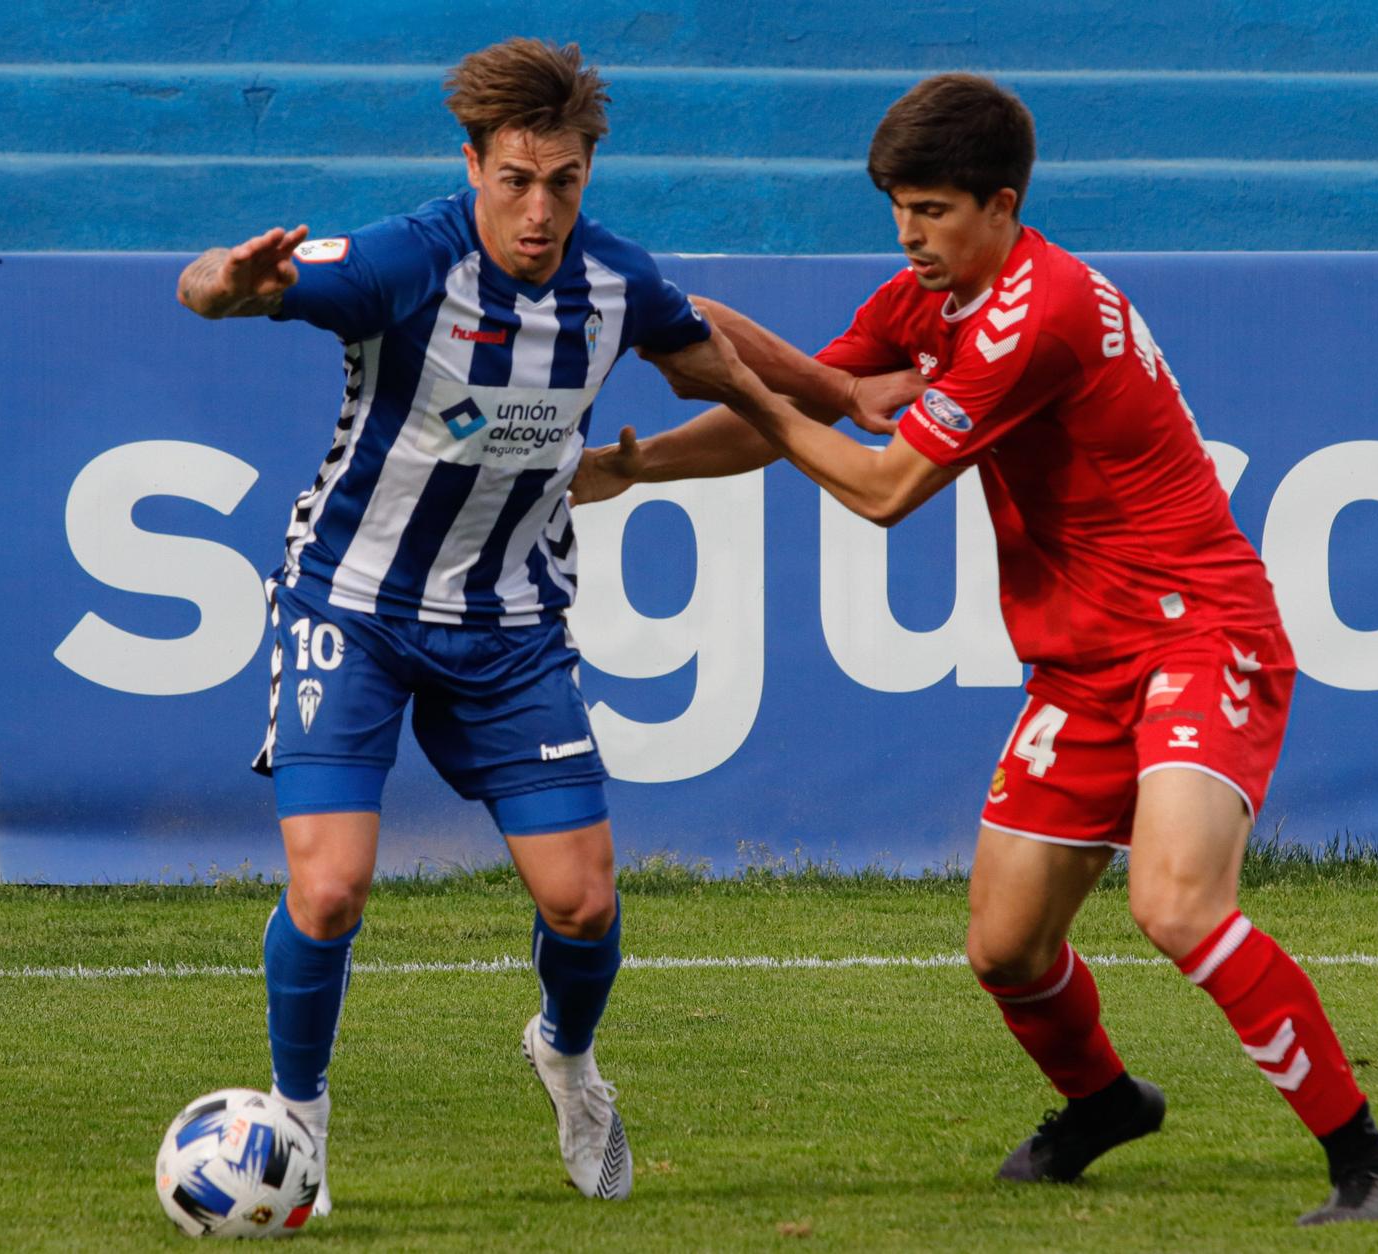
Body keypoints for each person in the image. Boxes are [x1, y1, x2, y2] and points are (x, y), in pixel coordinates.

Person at [577, 73, 1378, 1227]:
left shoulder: (1041, 312)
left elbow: (879, 488)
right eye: (897, 209)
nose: (907, 235)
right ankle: (1106, 1101)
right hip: (1081, 663)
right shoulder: (932, 299)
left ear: (1001, 204)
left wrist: (751, 387)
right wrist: (634, 469)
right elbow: (821, 401)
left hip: (1196, 632)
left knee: (1175, 907)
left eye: (929, 211)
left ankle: (1365, 1164)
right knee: (1005, 947)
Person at [175, 38, 902, 1208]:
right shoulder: (402, 263)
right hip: (351, 607)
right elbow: (210, 285)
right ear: (471, 166)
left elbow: (712, 351)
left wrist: (834, 396)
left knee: (583, 900)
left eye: (562, 182)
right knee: (329, 891)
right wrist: (232, 282)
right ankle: (296, 1129)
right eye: (513, 178)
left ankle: (564, 1052)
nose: (537, 207)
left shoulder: (612, 283)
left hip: (510, 623)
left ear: (584, 176)